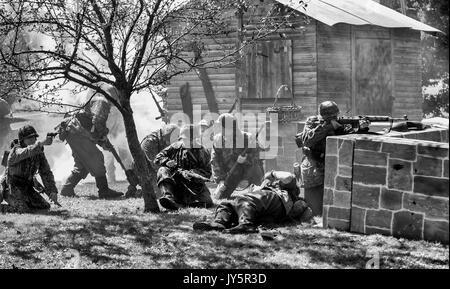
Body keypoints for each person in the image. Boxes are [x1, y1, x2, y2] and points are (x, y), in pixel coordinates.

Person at [295, 101, 369, 216]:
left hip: (333, 168)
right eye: (330, 116)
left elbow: (350, 136)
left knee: (332, 207)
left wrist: (362, 128)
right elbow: (307, 140)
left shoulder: (340, 123)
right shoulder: (312, 121)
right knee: (314, 210)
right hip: (313, 168)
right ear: (322, 115)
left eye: (335, 115)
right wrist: (329, 126)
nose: (334, 118)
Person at [57, 82, 123, 199]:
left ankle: (67, 189)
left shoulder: (97, 98)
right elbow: (96, 122)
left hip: (76, 132)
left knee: (83, 164)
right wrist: (103, 137)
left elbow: (92, 128)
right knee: (97, 157)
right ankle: (103, 191)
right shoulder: (102, 102)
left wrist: (102, 141)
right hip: (77, 132)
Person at [193, 170, 313, 234]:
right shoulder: (267, 187)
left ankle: (246, 225)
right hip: (264, 208)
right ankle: (219, 223)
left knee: (244, 200)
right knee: (228, 205)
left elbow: (288, 177)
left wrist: (272, 174)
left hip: (276, 201)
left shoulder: (287, 188)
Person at [154, 124, 213, 210]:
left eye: (190, 139)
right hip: (175, 182)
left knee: (207, 202)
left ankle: (179, 204)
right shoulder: (175, 147)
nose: (188, 141)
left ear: (195, 138)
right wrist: (167, 162)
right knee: (162, 170)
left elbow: (207, 172)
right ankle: (168, 197)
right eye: (185, 139)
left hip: (194, 185)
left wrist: (192, 173)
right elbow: (157, 158)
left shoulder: (202, 151)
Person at [0, 125, 58, 213]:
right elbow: (26, 152)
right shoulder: (15, 152)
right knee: (22, 209)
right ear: (22, 140)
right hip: (11, 189)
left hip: (27, 187)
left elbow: (46, 172)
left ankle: (23, 202)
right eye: (30, 138)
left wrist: (52, 190)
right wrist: (41, 143)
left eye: (34, 137)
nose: (33, 140)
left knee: (44, 206)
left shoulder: (38, 153)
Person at [211, 113, 264, 200]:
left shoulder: (247, 138)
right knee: (220, 196)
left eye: (222, 127)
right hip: (231, 174)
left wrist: (246, 160)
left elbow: (259, 157)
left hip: (249, 172)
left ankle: (255, 187)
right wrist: (220, 180)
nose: (220, 129)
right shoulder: (218, 140)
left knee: (257, 197)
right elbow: (215, 161)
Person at [125, 123, 179, 198]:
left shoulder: (166, 138)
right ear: (166, 135)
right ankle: (140, 193)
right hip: (145, 171)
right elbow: (155, 164)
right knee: (161, 193)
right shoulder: (150, 142)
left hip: (157, 170)